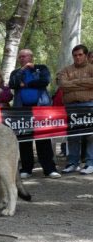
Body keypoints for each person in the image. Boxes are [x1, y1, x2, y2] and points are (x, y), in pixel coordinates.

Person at [8, 48, 61, 179]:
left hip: (40, 108)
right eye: (20, 57)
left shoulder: (41, 68)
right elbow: (12, 84)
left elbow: (44, 81)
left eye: (24, 56)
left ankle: (49, 169)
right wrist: (22, 71)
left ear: (31, 57)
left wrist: (26, 83)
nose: (22, 59)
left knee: (43, 138)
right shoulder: (16, 72)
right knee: (25, 138)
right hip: (22, 109)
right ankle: (26, 168)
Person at [57, 44, 93, 175]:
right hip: (71, 106)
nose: (77, 57)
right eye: (75, 55)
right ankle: (73, 163)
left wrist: (73, 83)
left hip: (89, 105)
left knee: (90, 135)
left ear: (86, 55)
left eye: (80, 55)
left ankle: (90, 163)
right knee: (72, 135)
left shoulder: (91, 68)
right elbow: (62, 85)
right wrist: (84, 83)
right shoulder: (66, 70)